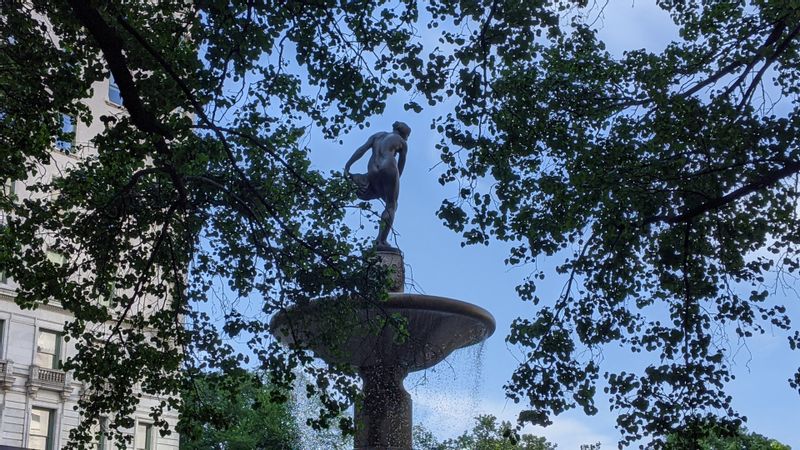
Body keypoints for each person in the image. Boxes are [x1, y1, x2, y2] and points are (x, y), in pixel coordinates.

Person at [344, 121, 410, 251]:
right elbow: (401, 165)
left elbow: (362, 149)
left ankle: (355, 179)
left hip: (372, 169)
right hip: (389, 167)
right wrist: (395, 181)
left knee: (369, 182)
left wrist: (348, 165)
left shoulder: (378, 135)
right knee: (392, 205)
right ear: (404, 135)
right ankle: (381, 241)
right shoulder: (402, 142)